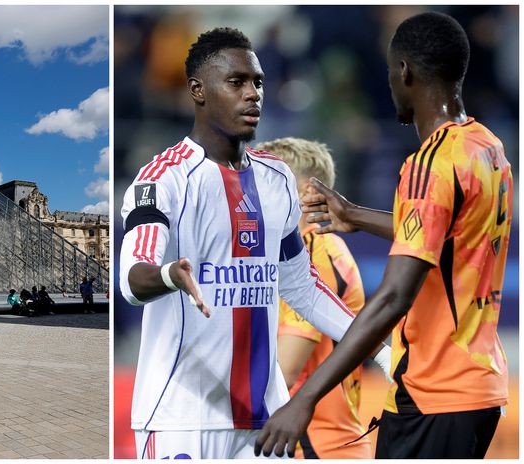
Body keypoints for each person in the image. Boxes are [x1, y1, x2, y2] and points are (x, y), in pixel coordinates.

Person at [118, 28, 391, 459]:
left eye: (258, 83)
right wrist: (170, 274)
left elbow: (302, 287)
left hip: (264, 423)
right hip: (181, 419)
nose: (253, 95)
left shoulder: (277, 178)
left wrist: (383, 352)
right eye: (237, 82)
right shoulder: (163, 177)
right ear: (197, 90)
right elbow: (132, 280)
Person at [255, 12, 513, 459]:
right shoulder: (486, 147)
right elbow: (450, 234)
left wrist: (303, 399)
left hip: (435, 389)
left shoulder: (428, 164)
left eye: (390, 72)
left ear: (405, 72)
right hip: (480, 382)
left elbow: (393, 297)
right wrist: (356, 215)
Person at [257, 137, 372, 458]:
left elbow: (286, 369)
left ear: (307, 192)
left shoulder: (313, 251)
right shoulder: (304, 251)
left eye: (269, 180)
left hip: (317, 448)